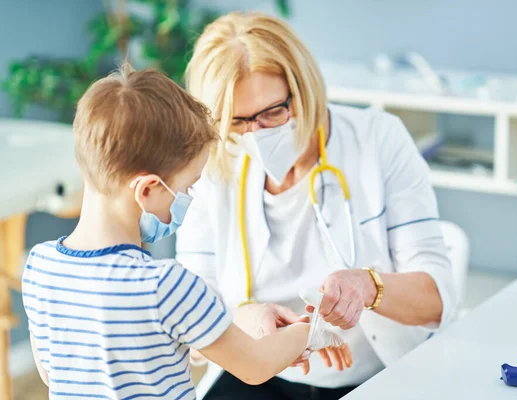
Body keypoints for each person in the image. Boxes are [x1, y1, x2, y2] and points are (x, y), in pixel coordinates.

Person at [21, 65, 351, 399]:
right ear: (148, 189)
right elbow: (255, 366)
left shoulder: (39, 266)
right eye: (188, 187)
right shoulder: (165, 284)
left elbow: (51, 374)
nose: (189, 200)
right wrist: (312, 332)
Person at [178, 11, 457, 400]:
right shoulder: (214, 165)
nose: (257, 134)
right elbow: (192, 305)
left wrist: (369, 287)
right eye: (237, 122)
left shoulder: (377, 140)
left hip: (372, 376)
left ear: (303, 89)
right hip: (266, 374)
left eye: (273, 112)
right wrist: (245, 318)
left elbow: (437, 300)